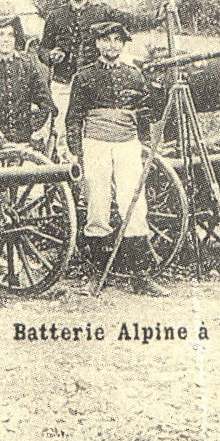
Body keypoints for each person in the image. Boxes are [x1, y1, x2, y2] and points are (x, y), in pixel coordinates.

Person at [65, 21, 162, 268]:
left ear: (123, 44)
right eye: (107, 40)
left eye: (118, 41)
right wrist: (76, 152)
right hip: (95, 143)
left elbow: (144, 113)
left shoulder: (134, 75)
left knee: (133, 197)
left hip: (127, 143)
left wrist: (145, 145)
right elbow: (74, 117)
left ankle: (137, 264)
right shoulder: (84, 76)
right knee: (98, 197)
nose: (112, 46)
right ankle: (99, 261)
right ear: (98, 43)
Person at [39, 0, 130, 158]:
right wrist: (50, 55)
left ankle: (89, 164)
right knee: (62, 128)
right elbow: (42, 48)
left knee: (93, 128)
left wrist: (158, 16)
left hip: (93, 83)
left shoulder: (101, 13)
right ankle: (64, 168)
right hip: (63, 83)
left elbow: (130, 20)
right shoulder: (56, 16)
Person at [0, 14, 53, 156]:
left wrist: (37, 135)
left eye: (10, 35)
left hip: (25, 143)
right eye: (0, 35)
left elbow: (46, 102)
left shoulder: (27, 66)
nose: (6, 40)